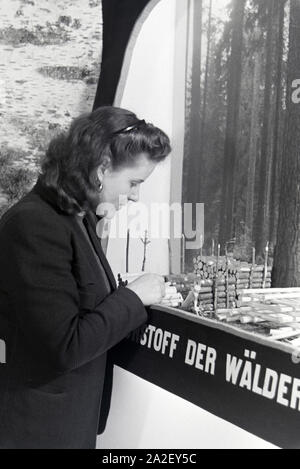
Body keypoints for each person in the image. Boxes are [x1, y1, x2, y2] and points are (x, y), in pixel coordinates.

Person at [0, 106, 171, 449]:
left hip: (66, 423)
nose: (136, 195)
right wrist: (133, 298)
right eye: (134, 182)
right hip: (38, 431)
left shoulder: (77, 219)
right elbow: (64, 346)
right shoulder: (36, 224)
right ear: (102, 167)